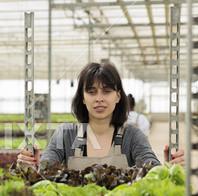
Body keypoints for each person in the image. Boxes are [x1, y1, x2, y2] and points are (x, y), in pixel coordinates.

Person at [17, 61, 185, 170]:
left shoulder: (132, 137)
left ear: (118, 96)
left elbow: (152, 170)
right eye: (91, 92)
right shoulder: (65, 135)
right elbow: (45, 169)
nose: (99, 99)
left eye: (107, 91)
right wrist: (34, 167)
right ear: (83, 98)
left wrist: (168, 169)